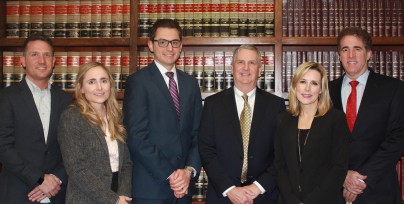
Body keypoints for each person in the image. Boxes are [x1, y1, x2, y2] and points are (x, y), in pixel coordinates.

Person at [123, 19, 202, 204]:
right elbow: (136, 137)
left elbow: (198, 133)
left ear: (181, 46)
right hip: (150, 189)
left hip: (183, 189)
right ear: (151, 45)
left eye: (175, 42)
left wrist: (188, 171)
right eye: (162, 42)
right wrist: (171, 174)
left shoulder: (191, 84)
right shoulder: (138, 82)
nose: (169, 48)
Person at [198, 45, 286, 204]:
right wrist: (229, 189)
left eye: (252, 63)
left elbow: (281, 154)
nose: (246, 68)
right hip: (222, 196)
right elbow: (206, 150)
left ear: (260, 70)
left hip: (263, 196)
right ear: (232, 68)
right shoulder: (212, 104)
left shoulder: (276, 106)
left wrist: (257, 187)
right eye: (240, 62)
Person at [329, 27, 404, 203]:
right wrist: (343, 175)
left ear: (369, 53)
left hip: (378, 189)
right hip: (333, 191)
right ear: (339, 55)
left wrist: (362, 179)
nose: (351, 55)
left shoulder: (393, 89)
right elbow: (318, 142)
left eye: (357, 49)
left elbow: (399, 137)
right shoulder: (326, 91)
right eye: (345, 50)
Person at [0, 34, 72, 203]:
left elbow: (71, 149)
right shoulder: (6, 98)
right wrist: (39, 179)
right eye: (34, 55)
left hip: (57, 193)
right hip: (18, 193)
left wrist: (56, 179)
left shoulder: (66, 100)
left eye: (47, 55)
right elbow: (3, 147)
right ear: (23, 61)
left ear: (54, 61)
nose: (42, 61)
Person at [274, 62, 349, 204]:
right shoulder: (283, 119)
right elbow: (279, 165)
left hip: (325, 200)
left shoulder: (335, 119)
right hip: (289, 200)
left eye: (314, 83)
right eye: (302, 82)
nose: (307, 88)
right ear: (295, 86)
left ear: (321, 89)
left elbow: (339, 167)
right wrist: (292, 200)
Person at [57, 62, 132, 204]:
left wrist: (123, 195)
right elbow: (77, 169)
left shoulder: (117, 117)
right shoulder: (71, 117)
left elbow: (126, 162)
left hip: (119, 195)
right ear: (81, 88)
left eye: (103, 81)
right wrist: (113, 200)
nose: (99, 87)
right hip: (86, 198)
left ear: (110, 85)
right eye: (91, 82)